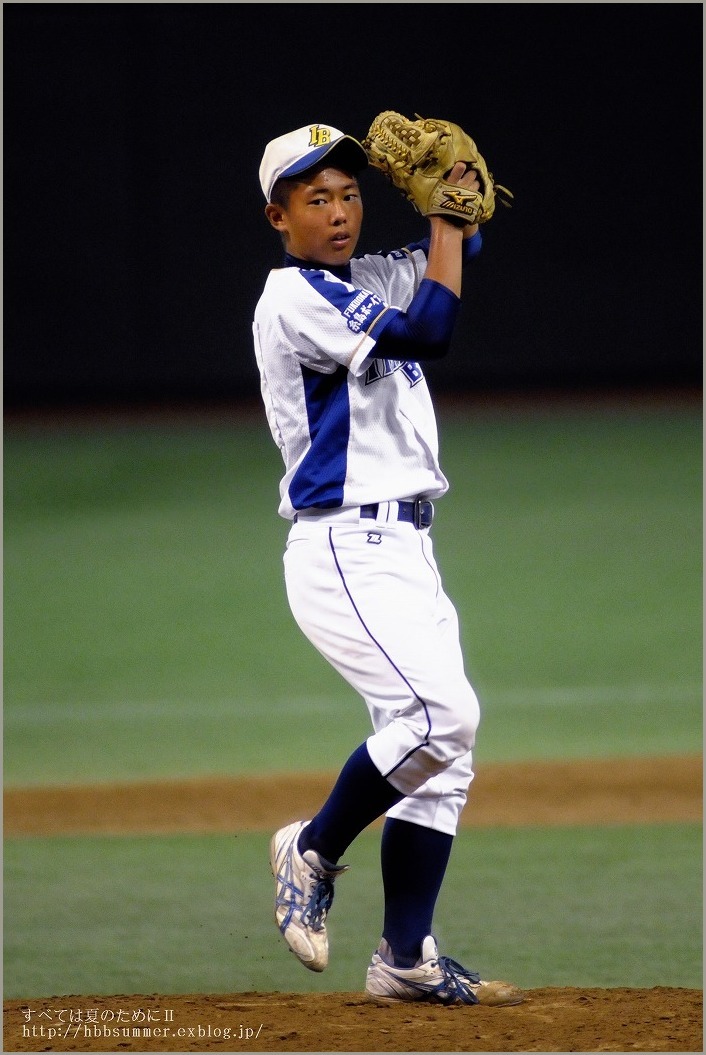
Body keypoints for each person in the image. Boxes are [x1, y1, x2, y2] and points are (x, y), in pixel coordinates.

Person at [252, 122, 523, 1007]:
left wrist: (454, 192)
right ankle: (314, 846)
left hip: (407, 546)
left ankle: (403, 957)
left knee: (449, 752)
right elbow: (429, 332)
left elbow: (464, 244)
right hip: (342, 545)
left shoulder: (366, 278)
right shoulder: (292, 296)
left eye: (350, 193)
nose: (338, 212)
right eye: (316, 198)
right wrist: (445, 220)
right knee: (442, 713)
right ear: (278, 216)